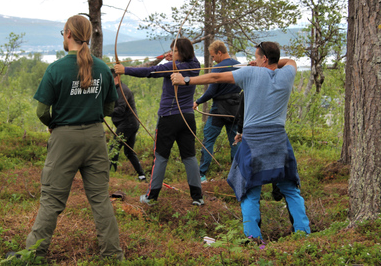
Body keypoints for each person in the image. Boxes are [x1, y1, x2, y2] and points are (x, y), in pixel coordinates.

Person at [171, 41, 310, 240]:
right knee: (289, 188)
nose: (253, 60)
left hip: (254, 140)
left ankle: (253, 238)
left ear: (263, 58)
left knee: (249, 189)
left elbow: (216, 77)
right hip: (279, 139)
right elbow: (290, 61)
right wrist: (266, 64)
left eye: (256, 56)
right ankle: (303, 234)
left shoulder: (250, 73)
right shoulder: (287, 74)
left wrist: (185, 80)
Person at [25, 15, 124, 260]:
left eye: (63, 32)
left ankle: (33, 255)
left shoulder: (56, 68)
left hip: (64, 139)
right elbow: (111, 109)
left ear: (68, 34)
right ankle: (113, 255)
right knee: (100, 199)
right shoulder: (102, 67)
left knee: (52, 199)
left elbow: (41, 112)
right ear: (87, 36)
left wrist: (54, 125)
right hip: (95, 137)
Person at [114, 38, 204, 206]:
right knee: (189, 156)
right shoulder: (195, 65)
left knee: (161, 157)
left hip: (169, 118)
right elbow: (189, 58)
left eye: (175, 50)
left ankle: (151, 196)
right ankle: (197, 197)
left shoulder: (173, 67)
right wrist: (174, 55)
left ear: (182, 53)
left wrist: (124, 70)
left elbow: (150, 71)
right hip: (187, 118)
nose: (172, 53)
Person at [193, 40, 242, 183]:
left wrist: (197, 102)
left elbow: (211, 91)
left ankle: (201, 174)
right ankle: (236, 175)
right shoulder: (239, 65)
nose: (213, 59)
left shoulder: (218, 68)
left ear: (219, 53)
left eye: (213, 56)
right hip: (236, 109)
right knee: (235, 140)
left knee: (209, 139)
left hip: (219, 110)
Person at [109, 68, 146, 181]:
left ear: (116, 77)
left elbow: (120, 109)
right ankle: (142, 175)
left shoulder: (122, 90)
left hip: (128, 123)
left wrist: (105, 111)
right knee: (129, 151)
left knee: (114, 148)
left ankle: (111, 174)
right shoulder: (115, 89)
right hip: (130, 123)